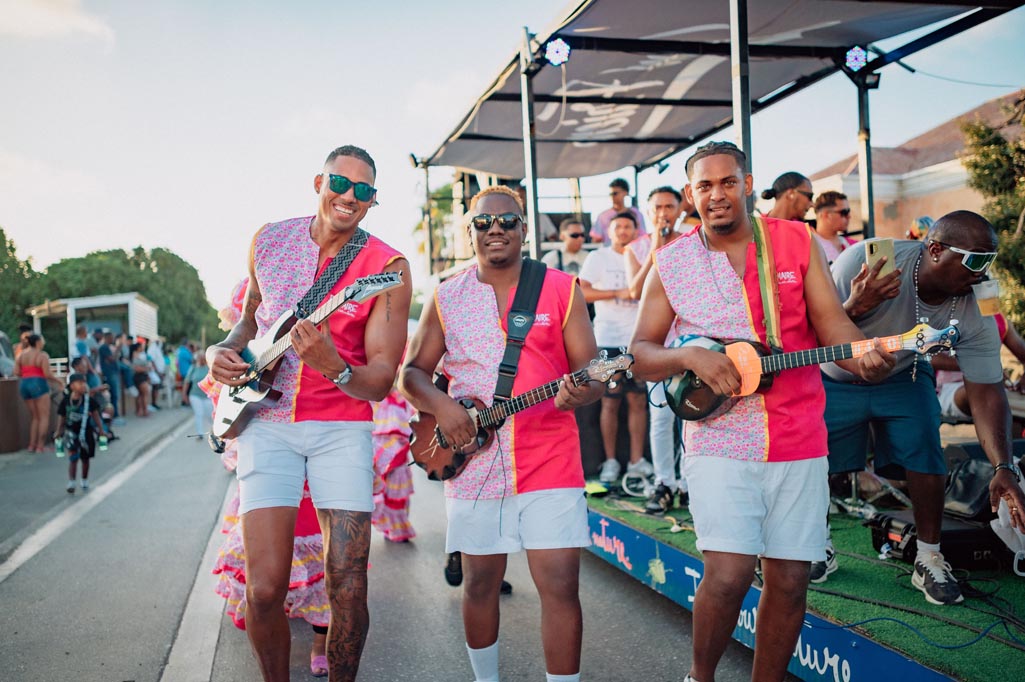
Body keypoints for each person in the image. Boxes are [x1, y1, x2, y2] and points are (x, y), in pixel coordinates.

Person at [629, 141, 893, 682]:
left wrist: (863, 355)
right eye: (704, 186)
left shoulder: (795, 240)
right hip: (719, 438)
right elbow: (639, 354)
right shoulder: (671, 261)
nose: (717, 195)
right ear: (689, 195)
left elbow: (831, 324)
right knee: (727, 575)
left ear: (749, 186)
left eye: (728, 182)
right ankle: (700, 678)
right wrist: (689, 354)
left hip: (798, 431)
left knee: (792, 578)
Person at [207, 144, 411, 682]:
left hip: (340, 429)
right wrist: (220, 350)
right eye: (340, 184)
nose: (349, 197)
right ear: (318, 183)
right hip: (266, 427)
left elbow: (381, 378)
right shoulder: (268, 240)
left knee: (348, 585)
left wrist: (333, 365)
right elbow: (248, 322)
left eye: (364, 191)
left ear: (373, 201)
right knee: (264, 587)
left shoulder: (386, 266)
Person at [400, 185, 602, 682]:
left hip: (549, 455)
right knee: (479, 584)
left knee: (559, 586)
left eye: (507, 222)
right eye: (484, 223)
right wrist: (444, 408)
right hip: (475, 463)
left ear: (524, 228)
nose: (496, 230)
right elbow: (412, 374)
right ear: (469, 231)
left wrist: (584, 391)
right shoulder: (447, 294)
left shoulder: (561, 288)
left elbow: (594, 373)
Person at [821, 211, 1025, 602]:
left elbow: (985, 388)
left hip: (903, 374)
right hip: (836, 377)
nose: (983, 273)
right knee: (813, 459)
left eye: (990, 261)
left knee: (926, 449)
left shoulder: (980, 300)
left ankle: (929, 557)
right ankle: (816, 542)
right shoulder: (865, 261)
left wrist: (1003, 466)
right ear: (934, 250)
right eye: (975, 260)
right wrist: (854, 305)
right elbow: (809, 330)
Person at [624, 187, 688, 513]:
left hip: (692, 339)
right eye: (657, 207)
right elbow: (635, 290)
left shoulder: (693, 239)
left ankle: (689, 482)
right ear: (647, 212)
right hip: (656, 344)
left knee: (694, 412)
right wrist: (655, 249)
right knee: (661, 415)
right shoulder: (636, 247)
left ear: (680, 209)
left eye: (669, 206)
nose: (663, 212)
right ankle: (665, 481)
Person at [580, 211, 650, 484]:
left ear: (636, 230)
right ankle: (610, 462)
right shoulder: (598, 257)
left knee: (638, 400)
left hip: (638, 340)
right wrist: (616, 293)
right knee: (610, 401)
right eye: (617, 226)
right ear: (609, 232)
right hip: (607, 339)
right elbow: (581, 291)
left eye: (628, 226)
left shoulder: (643, 254)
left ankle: (636, 461)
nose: (622, 231)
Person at [933, 311, 1025, 422]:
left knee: (1000, 396)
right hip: (946, 390)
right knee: (990, 390)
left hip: (993, 387)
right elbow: (926, 358)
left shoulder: (998, 320)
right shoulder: (940, 314)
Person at [370, 388, 416, 542]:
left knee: (397, 492)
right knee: (379, 490)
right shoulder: (373, 398)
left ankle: (397, 528)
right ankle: (387, 525)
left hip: (400, 452)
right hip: (377, 451)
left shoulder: (403, 399)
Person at [55, 373, 108, 493]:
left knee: (85, 458)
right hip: (71, 432)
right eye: (80, 383)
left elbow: (95, 415)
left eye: (84, 383)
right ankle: (72, 482)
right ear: (72, 386)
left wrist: (101, 430)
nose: (83, 385)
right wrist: (59, 430)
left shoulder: (89, 400)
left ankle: (84, 479)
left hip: (86, 432)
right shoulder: (66, 401)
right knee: (73, 458)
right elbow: (62, 416)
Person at [14, 333, 56, 453]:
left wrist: (28, 374)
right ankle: (40, 446)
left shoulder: (21, 355)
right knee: (43, 416)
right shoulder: (42, 355)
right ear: (38, 342)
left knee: (35, 417)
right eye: (42, 341)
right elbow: (47, 374)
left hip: (25, 384)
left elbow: (16, 372)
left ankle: (31, 445)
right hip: (39, 384)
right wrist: (59, 381)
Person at [589, 177, 647, 245]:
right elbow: (596, 239)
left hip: (633, 252)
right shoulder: (603, 216)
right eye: (610, 194)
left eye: (615, 193)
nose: (612, 197)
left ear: (625, 193)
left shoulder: (636, 214)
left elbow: (643, 236)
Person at [811, 191, 856, 264]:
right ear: (826, 215)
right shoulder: (809, 245)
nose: (849, 216)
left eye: (848, 211)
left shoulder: (851, 244)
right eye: (844, 212)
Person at [184, 351, 213, 436]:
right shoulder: (193, 368)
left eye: (202, 358)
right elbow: (187, 382)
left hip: (208, 395)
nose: (201, 360)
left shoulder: (209, 368)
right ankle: (199, 433)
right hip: (195, 395)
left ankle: (214, 432)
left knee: (210, 415)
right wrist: (184, 395)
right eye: (199, 358)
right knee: (199, 413)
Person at [98, 331, 125, 425]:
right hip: (110, 374)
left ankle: (115, 415)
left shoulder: (107, 347)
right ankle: (114, 416)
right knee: (114, 395)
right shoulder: (104, 347)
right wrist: (117, 349)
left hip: (113, 373)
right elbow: (112, 359)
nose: (113, 339)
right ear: (107, 338)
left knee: (115, 395)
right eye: (111, 337)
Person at [130, 342, 153, 417]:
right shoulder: (135, 355)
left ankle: (140, 411)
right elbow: (136, 368)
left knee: (141, 394)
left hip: (141, 376)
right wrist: (146, 368)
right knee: (145, 394)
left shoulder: (140, 355)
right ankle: (144, 411)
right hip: (140, 377)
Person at [177, 339, 194, 406]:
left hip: (182, 372)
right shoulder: (185, 351)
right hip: (187, 372)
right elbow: (192, 360)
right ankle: (186, 401)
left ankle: (184, 401)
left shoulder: (179, 351)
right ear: (186, 344)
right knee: (188, 388)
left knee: (185, 387)